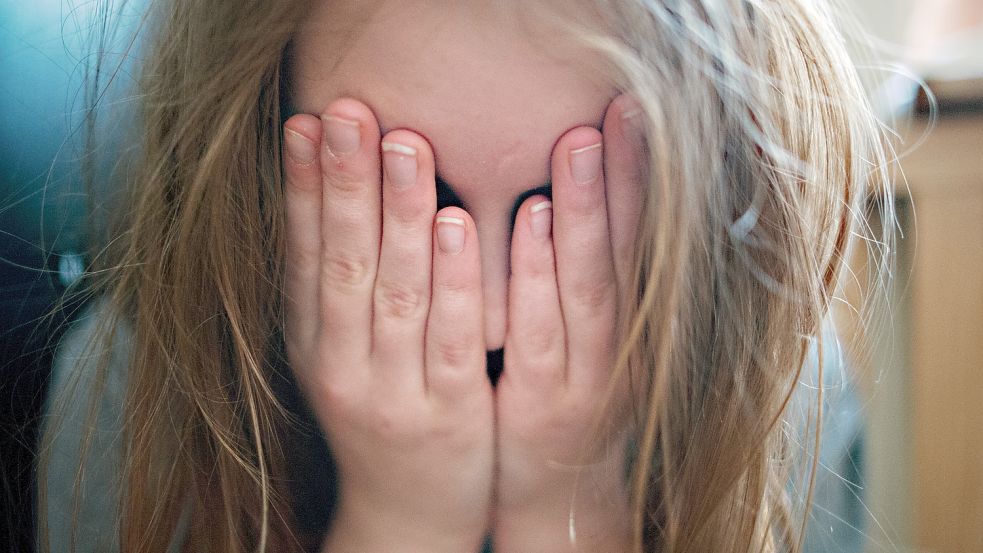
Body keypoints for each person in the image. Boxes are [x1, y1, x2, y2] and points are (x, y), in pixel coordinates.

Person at [39, 0, 894, 552]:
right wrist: (399, 522)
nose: (485, 324)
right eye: (415, 207)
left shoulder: (778, 391)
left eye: (564, 211)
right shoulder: (138, 397)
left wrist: (572, 512)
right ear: (257, 172)